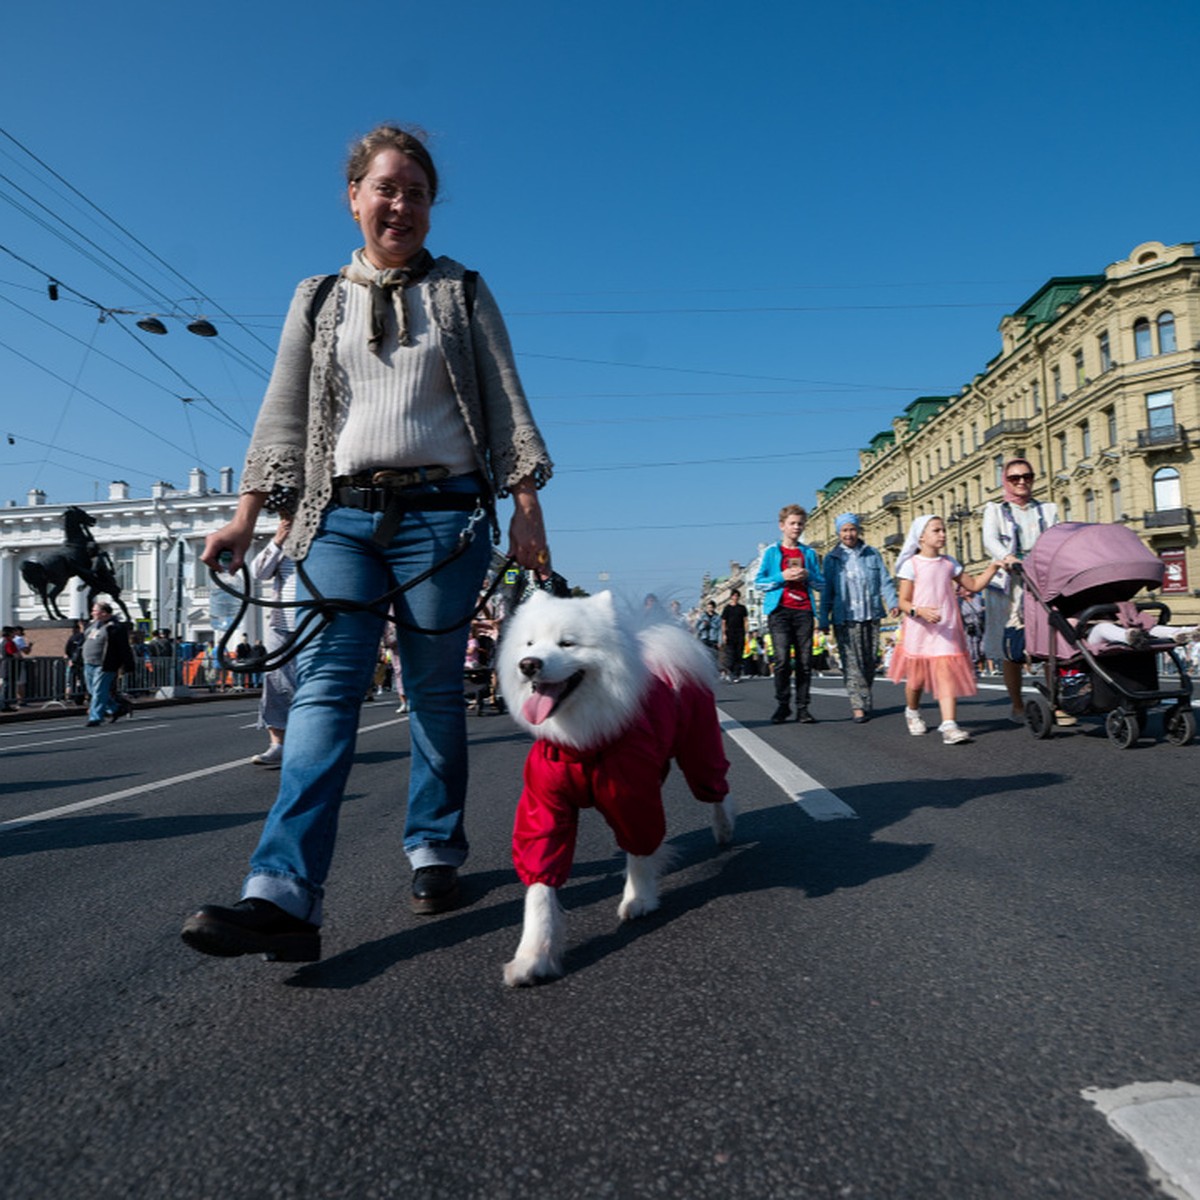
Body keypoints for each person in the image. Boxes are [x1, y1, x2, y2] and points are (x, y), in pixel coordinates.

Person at [182, 125, 552, 963]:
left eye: (417, 192)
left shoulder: (461, 290)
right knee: (324, 692)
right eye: (386, 188)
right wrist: (245, 514)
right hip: (339, 518)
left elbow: (504, 399)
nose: (401, 204)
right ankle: (280, 895)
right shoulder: (317, 297)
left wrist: (525, 504)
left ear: (430, 207)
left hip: (444, 517)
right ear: (354, 196)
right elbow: (283, 411)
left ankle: (434, 845)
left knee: (432, 691)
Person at [887, 515, 1010, 744]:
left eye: (943, 530)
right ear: (921, 536)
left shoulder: (949, 563)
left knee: (946, 675)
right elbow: (903, 601)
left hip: (946, 627)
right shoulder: (911, 565)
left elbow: (973, 585)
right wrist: (919, 611)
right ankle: (912, 711)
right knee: (917, 680)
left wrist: (993, 566)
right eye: (937, 530)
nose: (943, 534)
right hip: (919, 629)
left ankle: (949, 725)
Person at [981, 458, 1059, 723]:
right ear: (1006, 481)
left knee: (1053, 642)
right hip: (1009, 584)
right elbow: (989, 539)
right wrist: (1008, 556)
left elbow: (1060, 537)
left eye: (1027, 476)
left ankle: (1055, 702)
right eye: (1015, 478)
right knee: (1011, 645)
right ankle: (1017, 704)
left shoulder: (1048, 510)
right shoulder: (995, 509)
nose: (1022, 482)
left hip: (1044, 580)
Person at [818, 512, 898, 723]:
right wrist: (823, 619)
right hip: (844, 618)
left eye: (852, 529)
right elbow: (827, 591)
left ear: (858, 530)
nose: (849, 534)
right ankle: (858, 706)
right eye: (844, 530)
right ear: (838, 533)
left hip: (870, 615)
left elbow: (885, 580)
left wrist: (892, 603)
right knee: (851, 663)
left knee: (869, 661)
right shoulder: (832, 559)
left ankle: (864, 698)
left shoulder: (871, 553)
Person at [755, 504, 824, 724]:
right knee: (782, 659)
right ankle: (783, 705)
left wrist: (808, 575)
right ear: (782, 526)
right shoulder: (772, 552)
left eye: (800, 524)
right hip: (780, 612)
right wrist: (782, 575)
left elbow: (821, 584)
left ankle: (803, 708)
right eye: (792, 523)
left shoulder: (808, 553)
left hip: (804, 611)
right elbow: (759, 583)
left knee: (805, 662)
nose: (797, 527)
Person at [247, 515, 298, 769]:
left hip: (319, 622)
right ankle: (277, 744)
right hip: (282, 624)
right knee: (276, 683)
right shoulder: (282, 544)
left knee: (314, 686)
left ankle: (311, 743)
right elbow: (259, 571)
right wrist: (279, 539)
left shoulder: (327, 539)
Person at [81, 601, 135, 726]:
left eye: (95, 611)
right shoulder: (93, 626)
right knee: (92, 690)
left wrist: (126, 664)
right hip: (89, 663)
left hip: (105, 664)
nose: (92, 613)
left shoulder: (115, 627)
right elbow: (84, 642)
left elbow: (123, 647)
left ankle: (95, 717)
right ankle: (116, 708)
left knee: (99, 690)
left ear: (104, 613)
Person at [720, 589, 748, 683]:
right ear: (731, 597)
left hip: (740, 632)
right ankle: (730, 672)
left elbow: (745, 620)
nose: (735, 598)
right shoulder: (727, 608)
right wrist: (724, 634)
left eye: (737, 596)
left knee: (739, 654)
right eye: (734, 596)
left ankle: (737, 674)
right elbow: (723, 622)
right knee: (731, 654)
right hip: (730, 633)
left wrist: (746, 632)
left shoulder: (742, 608)